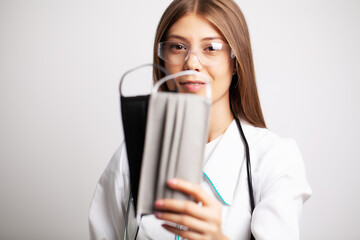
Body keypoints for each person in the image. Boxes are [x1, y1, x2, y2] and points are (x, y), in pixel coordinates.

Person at [89, 0, 312, 239]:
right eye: (177, 47)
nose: (191, 63)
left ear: (235, 62)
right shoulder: (130, 157)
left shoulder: (274, 159)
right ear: (163, 58)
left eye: (211, 48)